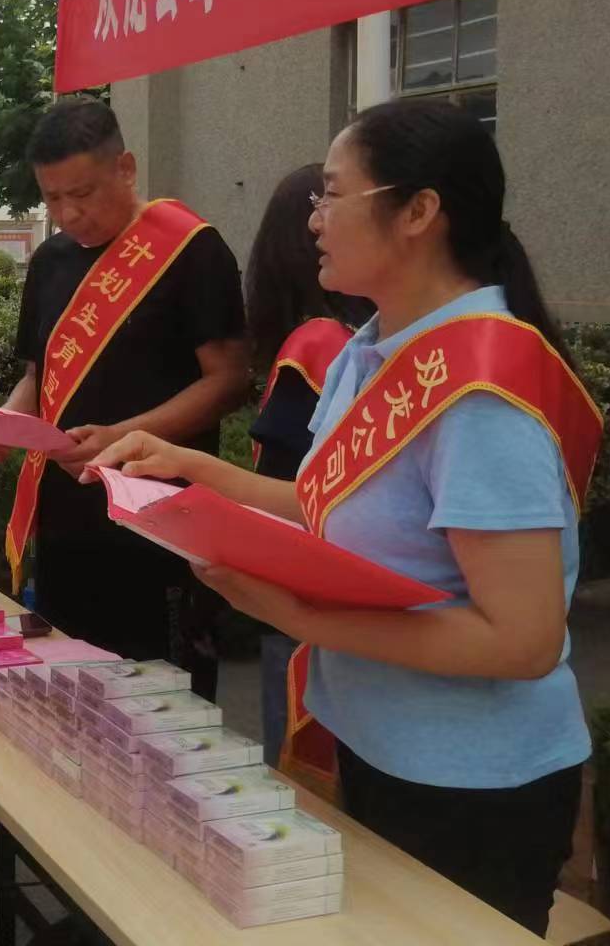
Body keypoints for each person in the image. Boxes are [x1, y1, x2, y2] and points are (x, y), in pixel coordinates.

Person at [91, 100, 602, 935]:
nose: (314, 219)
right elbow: (332, 503)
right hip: (370, 739)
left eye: (332, 194)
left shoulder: (481, 394)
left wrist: (299, 617)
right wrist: (194, 469)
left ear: (419, 212)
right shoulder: (367, 352)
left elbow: (523, 640)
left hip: (473, 783)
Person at [0, 96, 249, 690]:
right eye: (51, 198)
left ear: (125, 168)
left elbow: (227, 380)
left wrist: (123, 437)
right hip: (67, 517)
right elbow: (39, 374)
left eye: (83, 193)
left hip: (159, 517)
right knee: (71, 688)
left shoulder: (191, 251)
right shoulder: (51, 260)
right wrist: (4, 421)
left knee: (162, 698)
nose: (68, 213)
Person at [241, 163, 371, 770]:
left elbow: (287, 490)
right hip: (362, 596)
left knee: (303, 779)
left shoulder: (315, 344)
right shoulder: (366, 339)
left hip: (305, 599)